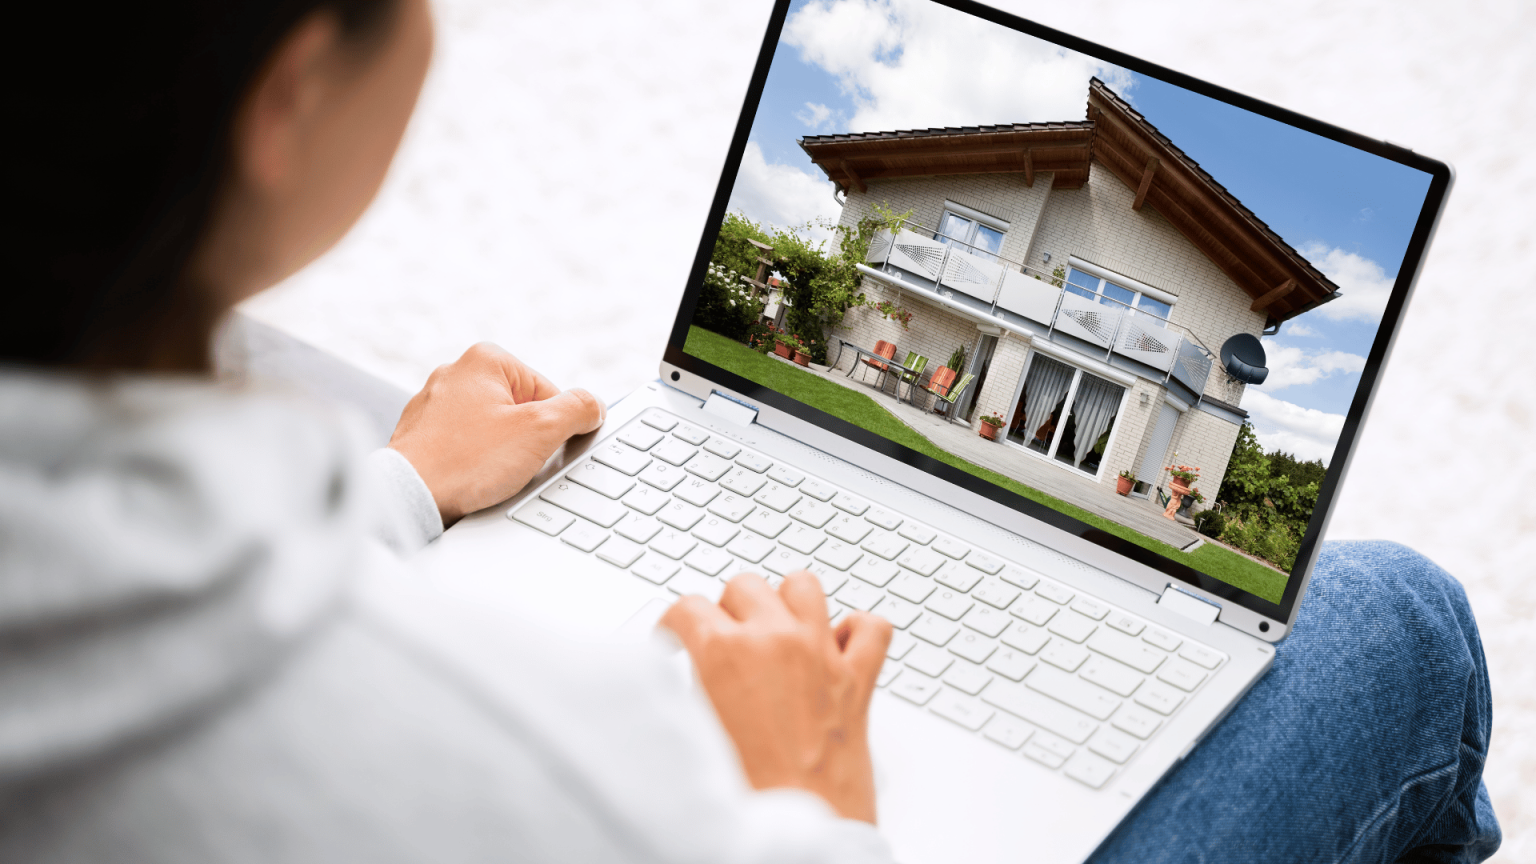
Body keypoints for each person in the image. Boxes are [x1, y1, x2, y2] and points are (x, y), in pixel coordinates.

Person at [0, 1, 1500, 861]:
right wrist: (804, 790)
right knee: (1400, 620)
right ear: (287, 95)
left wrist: (402, 490)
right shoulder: (560, 770)